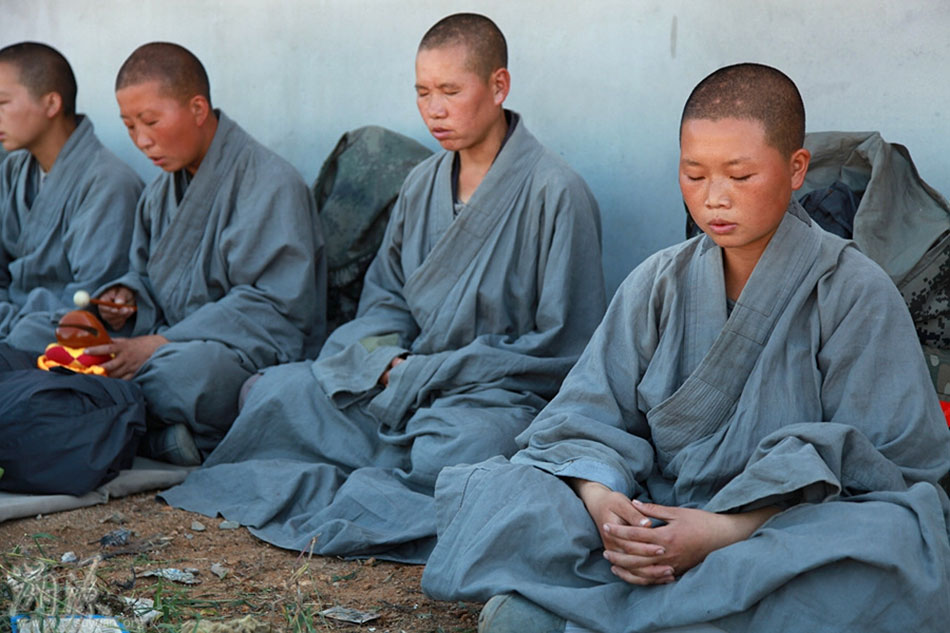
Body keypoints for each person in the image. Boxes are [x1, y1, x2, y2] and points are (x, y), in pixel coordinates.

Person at [420, 64, 950, 633]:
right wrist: (604, 505)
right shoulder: (657, 281)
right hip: (653, 517)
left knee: (891, 541)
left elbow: (889, 471)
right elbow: (580, 418)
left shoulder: (854, 290)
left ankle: (585, 610)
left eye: (740, 176)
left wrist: (722, 531)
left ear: (796, 169)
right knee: (509, 489)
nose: (714, 199)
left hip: (778, 531)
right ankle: (660, 608)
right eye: (694, 175)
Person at [160, 13, 606, 562]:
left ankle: (389, 479)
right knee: (278, 393)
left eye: (449, 90)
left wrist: (433, 373)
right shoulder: (420, 185)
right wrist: (383, 360)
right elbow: (385, 298)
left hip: (488, 397)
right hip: (397, 382)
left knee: (473, 449)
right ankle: (383, 474)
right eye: (422, 92)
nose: (433, 110)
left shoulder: (557, 193)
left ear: (498, 86)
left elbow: (565, 346)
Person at [87, 42, 326, 466]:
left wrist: (159, 344)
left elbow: (275, 307)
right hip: (166, 340)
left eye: (151, 121)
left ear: (198, 109)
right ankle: (154, 430)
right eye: (128, 126)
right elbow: (144, 276)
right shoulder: (160, 193)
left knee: (188, 374)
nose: (142, 141)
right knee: (76, 344)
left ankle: (126, 423)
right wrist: (127, 298)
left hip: (243, 354)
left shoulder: (272, 183)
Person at [0, 42, 142, 354]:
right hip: (11, 322)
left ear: (51, 104)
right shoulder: (12, 171)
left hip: (57, 333)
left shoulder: (109, 183)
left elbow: (89, 302)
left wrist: (13, 323)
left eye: (2, 103)